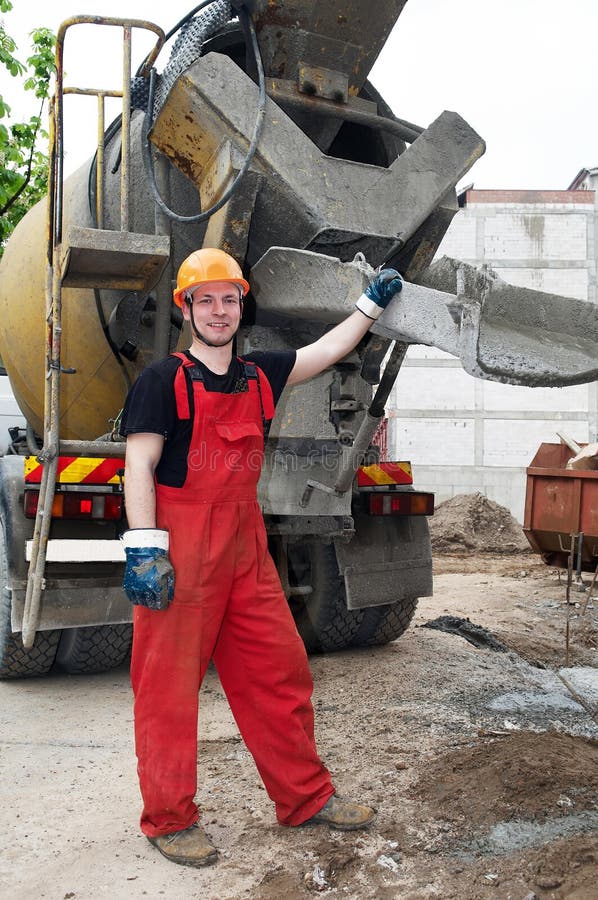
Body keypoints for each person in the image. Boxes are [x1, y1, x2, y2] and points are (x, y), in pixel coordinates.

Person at [119, 247, 403, 868]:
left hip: (244, 549)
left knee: (279, 670)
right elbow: (137, 463)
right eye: (206, 300)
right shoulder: (160, 382)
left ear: (240, 306)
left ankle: (304, 797)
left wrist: (370, 305)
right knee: (167, 689)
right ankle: (168, 818)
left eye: (229, 299)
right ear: (186, 309)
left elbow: (324, 353)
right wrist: (144, 548)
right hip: (181, 550)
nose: (219, 311)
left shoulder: (259, 374)